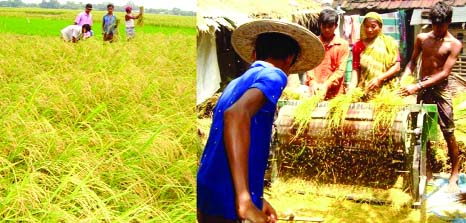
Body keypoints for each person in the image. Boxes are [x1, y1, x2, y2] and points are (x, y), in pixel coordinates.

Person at [197, 19, 323, 223]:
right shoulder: (275, 76)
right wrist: (245, 200)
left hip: (208, 190)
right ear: (290, 59)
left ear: (255, 54)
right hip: (228, 196)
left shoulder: (234, 83)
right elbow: (236, 116)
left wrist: (257, 198)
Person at [399, 1, 463, 193]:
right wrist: (404, 78)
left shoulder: (454, 44)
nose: (437, 28)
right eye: (434, 24)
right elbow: (412, 62)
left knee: (448, 133)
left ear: (449, 22)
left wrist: (416, 85)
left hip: (441, 90)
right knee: (424, 132)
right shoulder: (422, 38)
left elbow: (444, 74)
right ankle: (426, 171)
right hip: (423, 90)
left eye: (441, 25)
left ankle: (454, 173)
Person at [350, 12, 401, 99]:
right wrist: (351, 89)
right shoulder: (358, 46)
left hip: (387, 90)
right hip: (366, 90)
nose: (369, 30)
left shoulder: (389, 43)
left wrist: (379, 79)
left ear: (380, 27)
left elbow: (397, 67)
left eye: (373, 26)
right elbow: (356, 70)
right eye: (366, 26)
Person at [305, 9, 349, 100]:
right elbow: (309, 65)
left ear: (336, 26)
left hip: (335, 95)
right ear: (319, 25)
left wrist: (326, 85)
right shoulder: (313, 43)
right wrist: (313, 83)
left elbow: (340, 70)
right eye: (324, 26)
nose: (326, 29)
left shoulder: (343, 45)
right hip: (314, 92)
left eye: (330, 26)